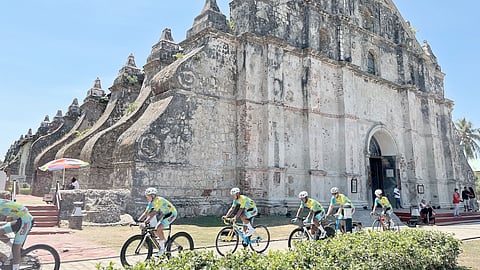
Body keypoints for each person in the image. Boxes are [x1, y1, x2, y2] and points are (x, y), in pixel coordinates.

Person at [137, 187, 177, 256]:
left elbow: (153, 213)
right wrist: (137, 221)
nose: (147, 198)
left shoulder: (159, 200)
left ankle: (162, 248)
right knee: (155, 229)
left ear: (153, 196)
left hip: (172, 214)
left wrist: (145, 222)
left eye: (148, 196)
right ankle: (163, 241)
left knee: (158, 228)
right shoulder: (151, 203)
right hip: (166, 214)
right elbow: (146, 213)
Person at [0, 198, 34, 270]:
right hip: (19, 219)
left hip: (26, 220)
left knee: (16, 247)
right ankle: (14, 249)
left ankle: (15, 268)